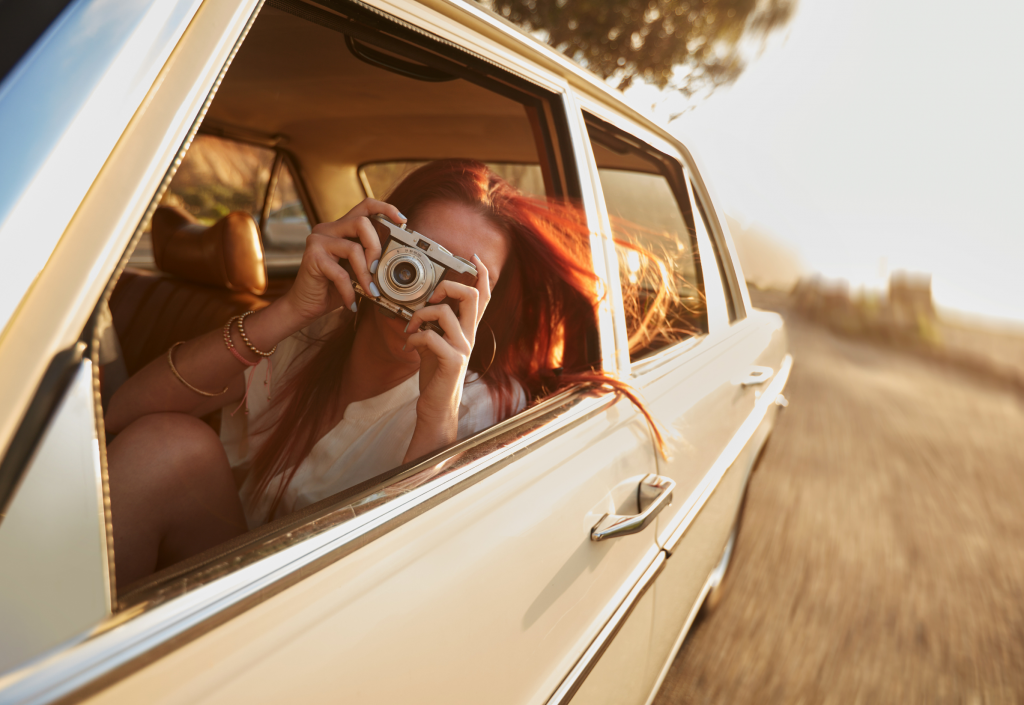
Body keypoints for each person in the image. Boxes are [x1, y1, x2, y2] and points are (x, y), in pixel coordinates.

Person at [105, 159, 672, 589]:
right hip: (222, 571)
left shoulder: (482, 407)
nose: (424, 285)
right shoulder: (313, 331)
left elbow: (409, 584)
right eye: (418, 254)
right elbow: (123, 417)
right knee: (164, 444)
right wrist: (288, 312)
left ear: (488, 307)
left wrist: (436, 404)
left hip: (324, 616)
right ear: (378, 244)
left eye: (460, 279)